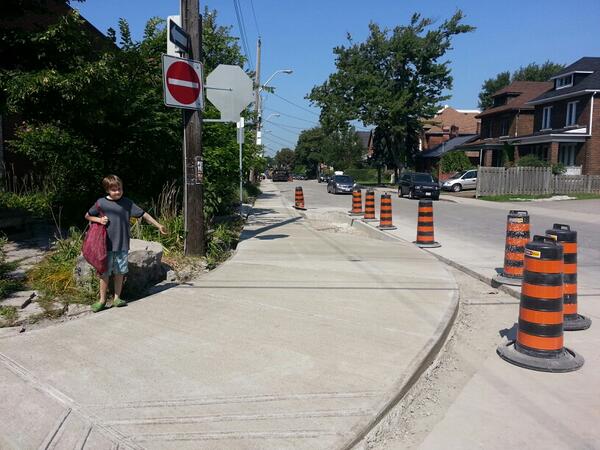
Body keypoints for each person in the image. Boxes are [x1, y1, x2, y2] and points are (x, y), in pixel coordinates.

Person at [85, 174, 167, 312]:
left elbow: (143, 214)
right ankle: (102, 300)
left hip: (122, 245)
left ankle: (117, 298)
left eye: (120, 189)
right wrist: (99, 220)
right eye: (114, 190)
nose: (117, 192)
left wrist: (158, 225)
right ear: (107, 190)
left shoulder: (127, 203)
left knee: (120, 272)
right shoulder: (101, 203)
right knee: (104, 273)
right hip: (105, 246)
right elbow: (87, 215)